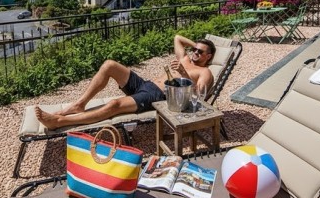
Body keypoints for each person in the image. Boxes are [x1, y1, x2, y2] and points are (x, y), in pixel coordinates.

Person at [35, 34, 216, 130]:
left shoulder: (204, 72)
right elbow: (177, 37)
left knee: (114, 105)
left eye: (200, 52)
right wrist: (196, 45)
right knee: (109, 65)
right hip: (145, 84)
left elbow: (198, 97)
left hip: (157, 96)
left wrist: (183, 73)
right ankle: (79, 104)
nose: (195, 53)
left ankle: (59, 121)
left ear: (208, 56)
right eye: (195, 49)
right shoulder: (185, 58)